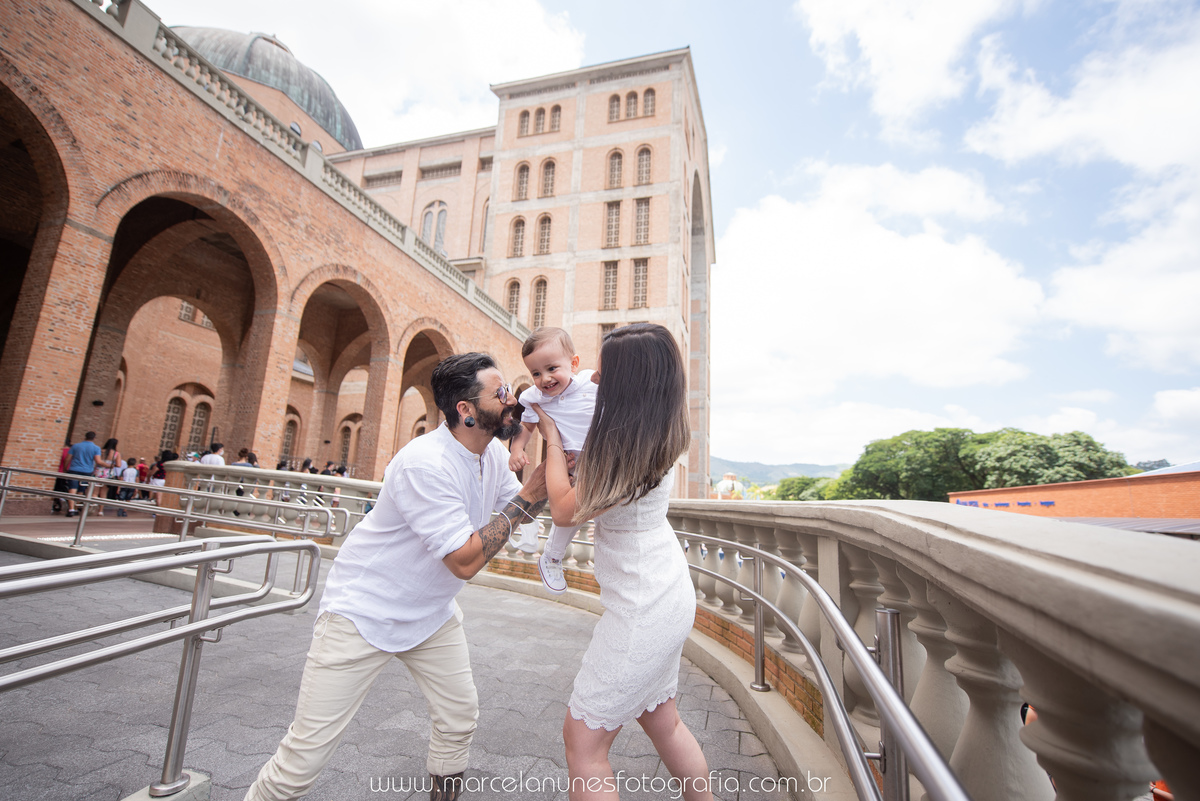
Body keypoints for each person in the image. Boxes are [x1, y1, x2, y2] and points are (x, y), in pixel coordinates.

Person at [244, 353, 547, 801]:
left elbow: (523, 509)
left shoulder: (494, 457)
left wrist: (560, 458)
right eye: (500, 393)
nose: (512, 402)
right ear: (465, 410)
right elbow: (463, 560)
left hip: (430, 613)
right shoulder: (425, 462)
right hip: (363, 613)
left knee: (458, 717)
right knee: (302, 759)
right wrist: (528, 496)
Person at [532, 323, 712, 801]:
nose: (593, 381)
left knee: (583, 742)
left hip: (643, 606)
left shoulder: (625, 446)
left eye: (604, 374)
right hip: (663, 589)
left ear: (628, 383)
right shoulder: (653, 429)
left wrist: (550, 436)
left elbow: (567, 508)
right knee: (664, 722)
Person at [508, 327, 598, 594]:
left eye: (551, 368)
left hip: (597, 457)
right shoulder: (535, 398)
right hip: (568, 461)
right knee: (574, 512)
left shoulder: (590, 384)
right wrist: (517, 449)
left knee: (592, 510)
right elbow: (526, 426)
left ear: (574, 363)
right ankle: (553, 556)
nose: (544, 378)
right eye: (536, 373)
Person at [64, 431, 105, 517]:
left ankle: (71, 509)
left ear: (85, 436)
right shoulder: (96, 448)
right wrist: (109, 465)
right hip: (87, 471)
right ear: (94, 438)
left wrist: (65, 468)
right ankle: (75, 507)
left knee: (72, 488)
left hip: (74, 469)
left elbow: (67, 458)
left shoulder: (75, 446)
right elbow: (98, 461)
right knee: (81, 490)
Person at [94, 438, 121, 516]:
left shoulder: (101, 451)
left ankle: (93, 505)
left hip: (98, 471)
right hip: (108, 473)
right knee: (104, 493)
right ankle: (100, 511)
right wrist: (112, 465)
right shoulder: (116, 453)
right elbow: (119, 465)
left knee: (95, 491)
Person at [52, 442, 71, 514]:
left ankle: (57, 503)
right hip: (67, 472)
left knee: (57, 489)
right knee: (64, 488)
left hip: (59, 471)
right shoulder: (71, 451)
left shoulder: (61, 451)